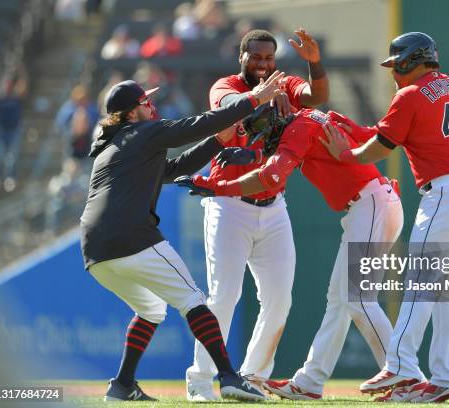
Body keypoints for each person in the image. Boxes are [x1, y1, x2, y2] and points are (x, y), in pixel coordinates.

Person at [79, 73, 284, 401]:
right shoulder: (144, 131)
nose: (151, 104)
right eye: (145, 101)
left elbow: (172, 170)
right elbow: (195, 125)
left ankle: (122, 385)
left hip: (95, 251)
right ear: (133, 112)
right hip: (131, 237)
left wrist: (218, 141)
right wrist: (253, 99)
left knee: (151, 309)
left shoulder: (115, 145)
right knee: (193, 301)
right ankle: (229, 376)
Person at [178, 105, 404, 400]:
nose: (263, 138)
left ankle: (402, 370)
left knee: (357, 299)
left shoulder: (297, 127)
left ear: (277, 118)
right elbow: (365, 135)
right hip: (372, 203)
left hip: (370, 203)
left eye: (264, 130)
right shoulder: (312, 117)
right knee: (339, 302)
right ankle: (310, 380)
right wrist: (256, 156)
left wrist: (215, 186)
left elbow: (273, 175)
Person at [320, 32, 449, 403]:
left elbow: (381, 147)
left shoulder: (410, 94)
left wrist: (346, 155)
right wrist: (355, 132)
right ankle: (447, 375)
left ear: (410, 61)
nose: (393, 73)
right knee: (444, 292)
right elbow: (391, 133)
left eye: (396, 64)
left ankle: (400, 362)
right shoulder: (447, 84)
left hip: (447, 197)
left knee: (419, 284)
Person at [184, 28, 329, 402]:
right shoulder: (225, 84)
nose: (263, 65)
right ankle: (200, 381)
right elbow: (231, 106)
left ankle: (251, 376)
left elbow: (318, 98)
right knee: (223, 297)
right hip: (229, 206)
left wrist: (314, 64)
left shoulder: (285, 82)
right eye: (256, 57)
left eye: (269, 58)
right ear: (242, 57)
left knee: (280, 299)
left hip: (273, 206)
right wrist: (264, 98)